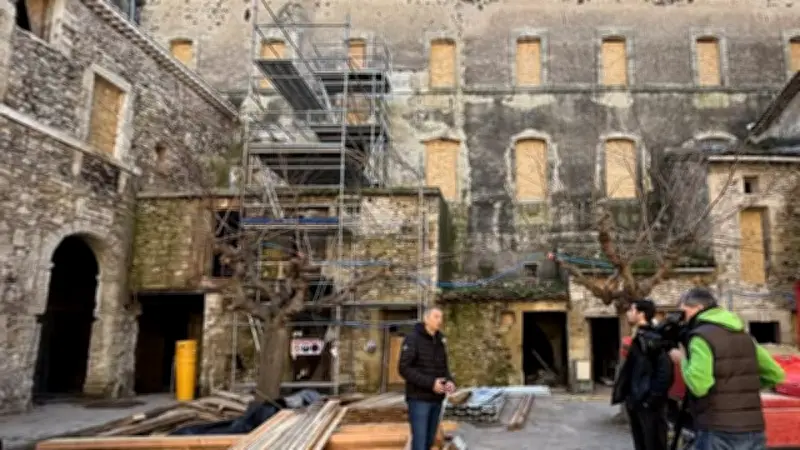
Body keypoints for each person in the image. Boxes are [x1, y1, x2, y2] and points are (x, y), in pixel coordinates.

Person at [668, 287, 785, 450]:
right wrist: (740, 389)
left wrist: (682, 360)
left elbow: (699, 386)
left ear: (698, 308)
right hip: (753, 428)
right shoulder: (745, 337)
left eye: (684, 312)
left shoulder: (701, 337)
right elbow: (776, 374)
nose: (682, 318)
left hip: (717, 429)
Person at [613, 299, 672, 450]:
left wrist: (650, 399)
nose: (628, 313)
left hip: (647, 403)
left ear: (641, 314)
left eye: (631, 310)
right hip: (637, 400)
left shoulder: (652, 339)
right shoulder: (638, 336)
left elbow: (664, 373)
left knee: (652, 444)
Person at [398, 307, 456, 450]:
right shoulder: (413, 339)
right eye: (436, 317)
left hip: (436, 399)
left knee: (429, 441)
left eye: (441, 317)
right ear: (426, 319)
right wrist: (431, 383)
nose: (440, 321)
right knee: (420, 442)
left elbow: (444, 368)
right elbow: (404, 368)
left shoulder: (440, 341)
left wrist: (449, 382)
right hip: (419, 399)